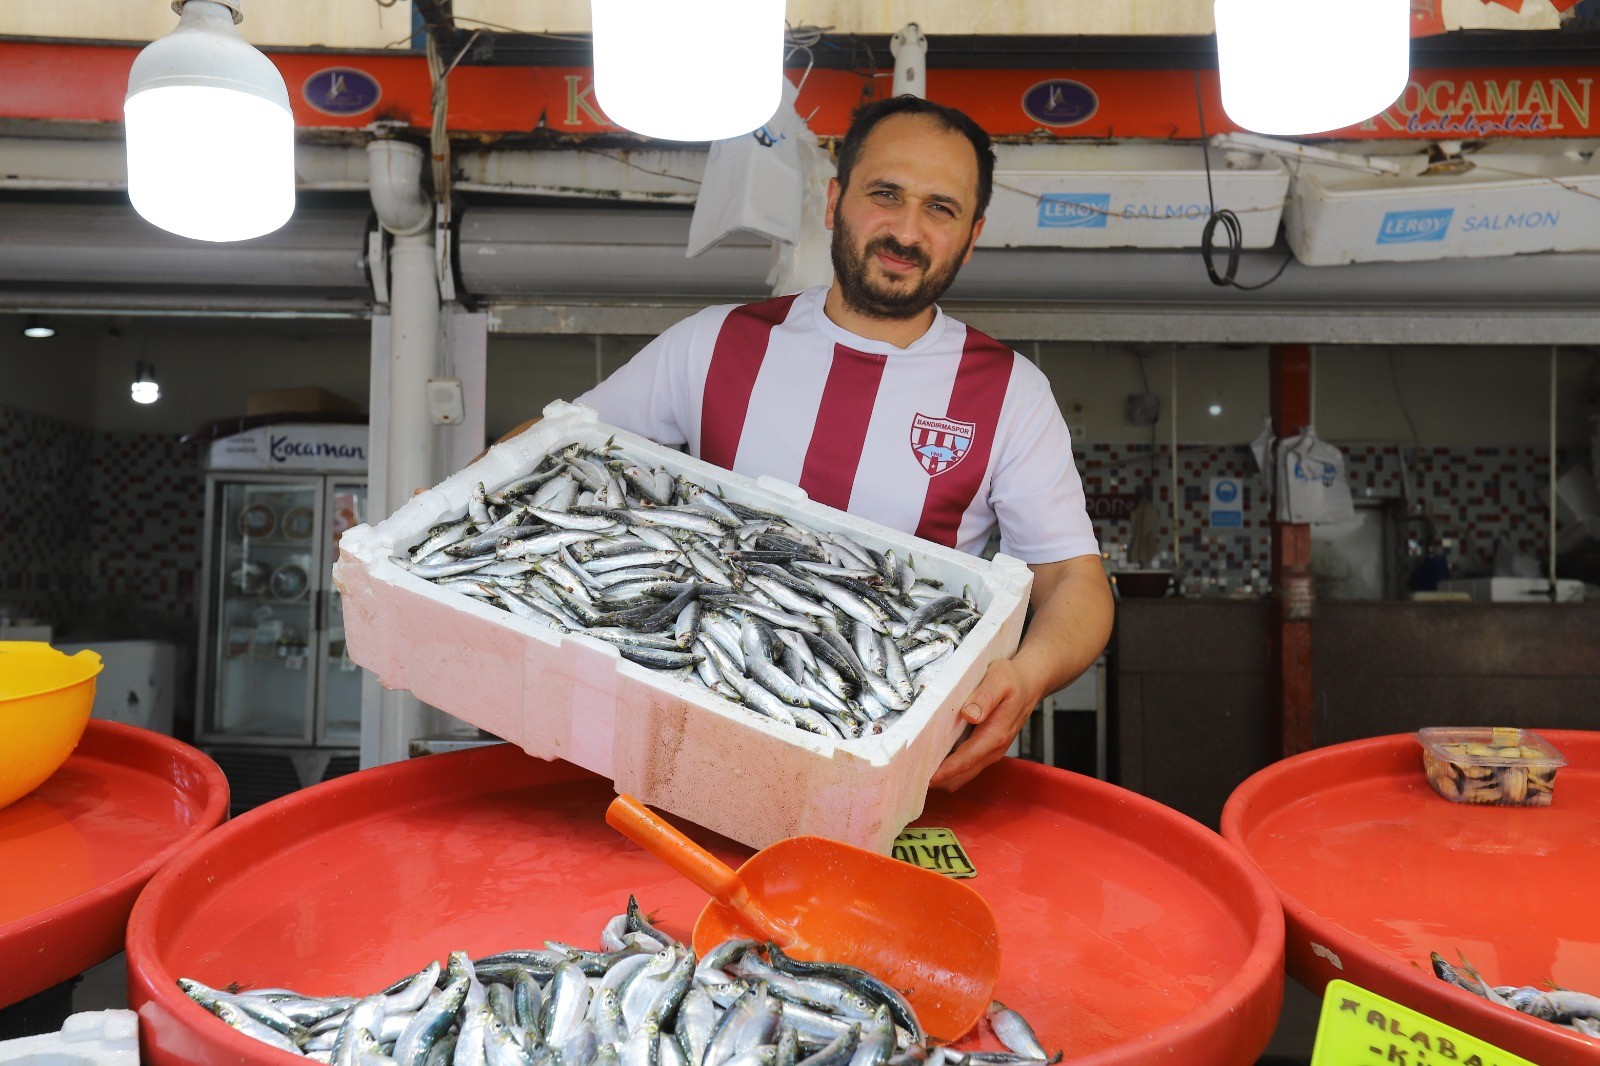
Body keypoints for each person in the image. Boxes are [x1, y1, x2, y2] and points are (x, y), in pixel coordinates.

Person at [502, 96, 1114, 790]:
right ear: (833, 201)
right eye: (885, 194)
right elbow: (555, 447)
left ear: (971, 237)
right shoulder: (715, 343)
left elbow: (1074, 581)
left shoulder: (1011, 392)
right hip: (684, 753)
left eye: (940, 209)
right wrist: (453, 500)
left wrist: (1027, 675)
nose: (906, 231)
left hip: (884, 766)